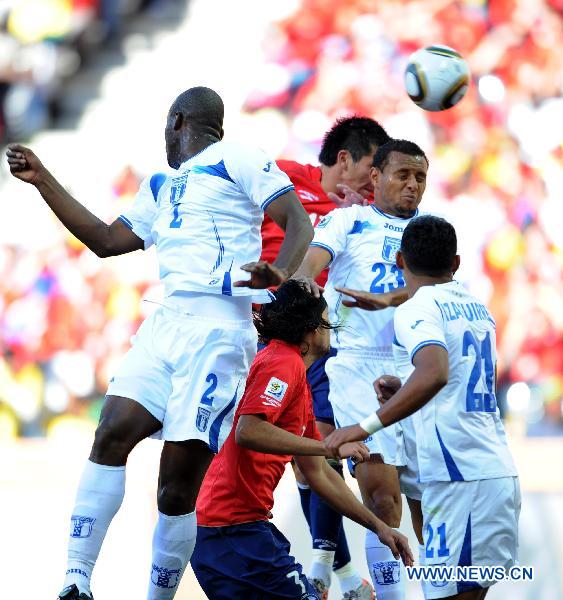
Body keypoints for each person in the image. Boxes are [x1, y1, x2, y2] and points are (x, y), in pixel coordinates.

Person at [6, 86, 314, 600]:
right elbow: (106, 242)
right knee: (112, 432)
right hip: (166, 321)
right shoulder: (160, 184)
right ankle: (76, 580)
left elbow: (297, 223)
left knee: (176, 487)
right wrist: (44, 182)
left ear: (177, 122)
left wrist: (278, 273)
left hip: (218, 335)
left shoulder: (236, 157)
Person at [324, 215, 520, 600]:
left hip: (459, 478)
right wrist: (402, 388)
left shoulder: (416, 307)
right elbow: (461, 377)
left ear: (400, 262)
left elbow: (435, 373)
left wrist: (363, 427)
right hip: (495, 471)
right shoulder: (478, 307)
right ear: (456, 263)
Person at [191, 279, 413, 600]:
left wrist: (378, 526)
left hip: (236, 529)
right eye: (324, 320)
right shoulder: (283, 362)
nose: (329, 329)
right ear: (311, 330)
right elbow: (249, 429)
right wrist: (328, 444)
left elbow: (319, 473)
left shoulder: (292, 373)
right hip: (230, 529)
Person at [261, 116, 391, 599]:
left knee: (316, 446)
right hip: (264, 335)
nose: (373, 182)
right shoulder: (283, 177)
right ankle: (339, 574)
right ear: (345, 160)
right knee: (297, 453)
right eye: (371, 169)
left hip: (318, 343)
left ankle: (325, 568)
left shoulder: (361, 215)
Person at [294, 138, 429, 599]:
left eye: (420, 178)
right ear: (376, 178)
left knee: (425, 507)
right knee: (382, 496)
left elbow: (444, 293)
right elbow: (311, 268)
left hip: (417, 370)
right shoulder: (349, 220)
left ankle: (431, 587)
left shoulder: (430, 233)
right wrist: (301, 291)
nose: (412, 185)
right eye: (402, 175)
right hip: (357, 367)